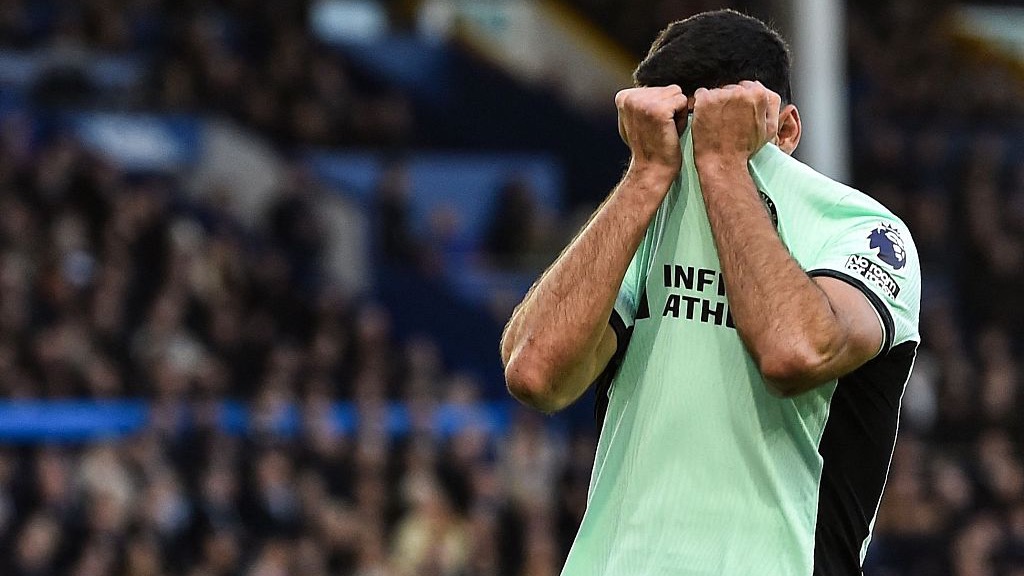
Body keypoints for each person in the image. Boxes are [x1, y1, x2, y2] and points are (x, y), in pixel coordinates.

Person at [499, 9, 921, 576]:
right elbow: (535, 373)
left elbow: (794, 349)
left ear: (786, 128)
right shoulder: (642, 214)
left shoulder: (860, 229)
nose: (692, 156)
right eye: (679, 132)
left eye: (712, 131)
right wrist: (643, 176)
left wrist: (724, 164)